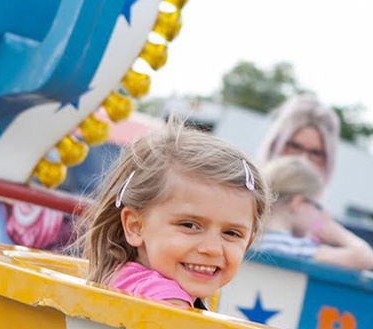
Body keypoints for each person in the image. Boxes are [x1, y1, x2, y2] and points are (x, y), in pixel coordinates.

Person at [78, 117, 272, 309]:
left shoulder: (122, 276)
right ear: (135, 226)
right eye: (189, 225)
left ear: (248, 243)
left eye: (231, 233)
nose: (212, 249)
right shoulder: (167, 301)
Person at [252, 156, 373, 270]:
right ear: (297, 203)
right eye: (317, 207)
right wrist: (336, 231)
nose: (318, 214)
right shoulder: (298, 249)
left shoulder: (249, 239)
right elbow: (367, 259)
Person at [257, 93, 339, 184]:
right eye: (295, 147)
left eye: (315, 153)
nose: (303, 159)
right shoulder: (245, 194)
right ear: (275, 144)